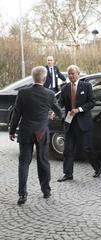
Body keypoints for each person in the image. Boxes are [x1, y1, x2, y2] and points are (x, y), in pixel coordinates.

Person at [9, 66, 62, 205]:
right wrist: (52, 113)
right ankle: (46, 191)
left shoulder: (22, 93)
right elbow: (59, 112)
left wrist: (12, 130)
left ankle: (22, 195)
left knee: (23, 163)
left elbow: (16, 113)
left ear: (33, 78)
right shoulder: (50, 94)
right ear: (44, 79)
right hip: (41, 132)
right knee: (43, 161)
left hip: (26, 131)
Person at [57, 65, 101, 182]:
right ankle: (68, 174)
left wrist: (79, 109)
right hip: (69, 122)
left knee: (86, 148)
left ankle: (98, 167)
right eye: (69, 74)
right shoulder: (65, 88)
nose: (71, 76)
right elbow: (60, 103)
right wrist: (54, 111)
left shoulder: (86, 86)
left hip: (83, 122)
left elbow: (92, 102)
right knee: (68, 149)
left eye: (73, 73)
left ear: (78, 74)